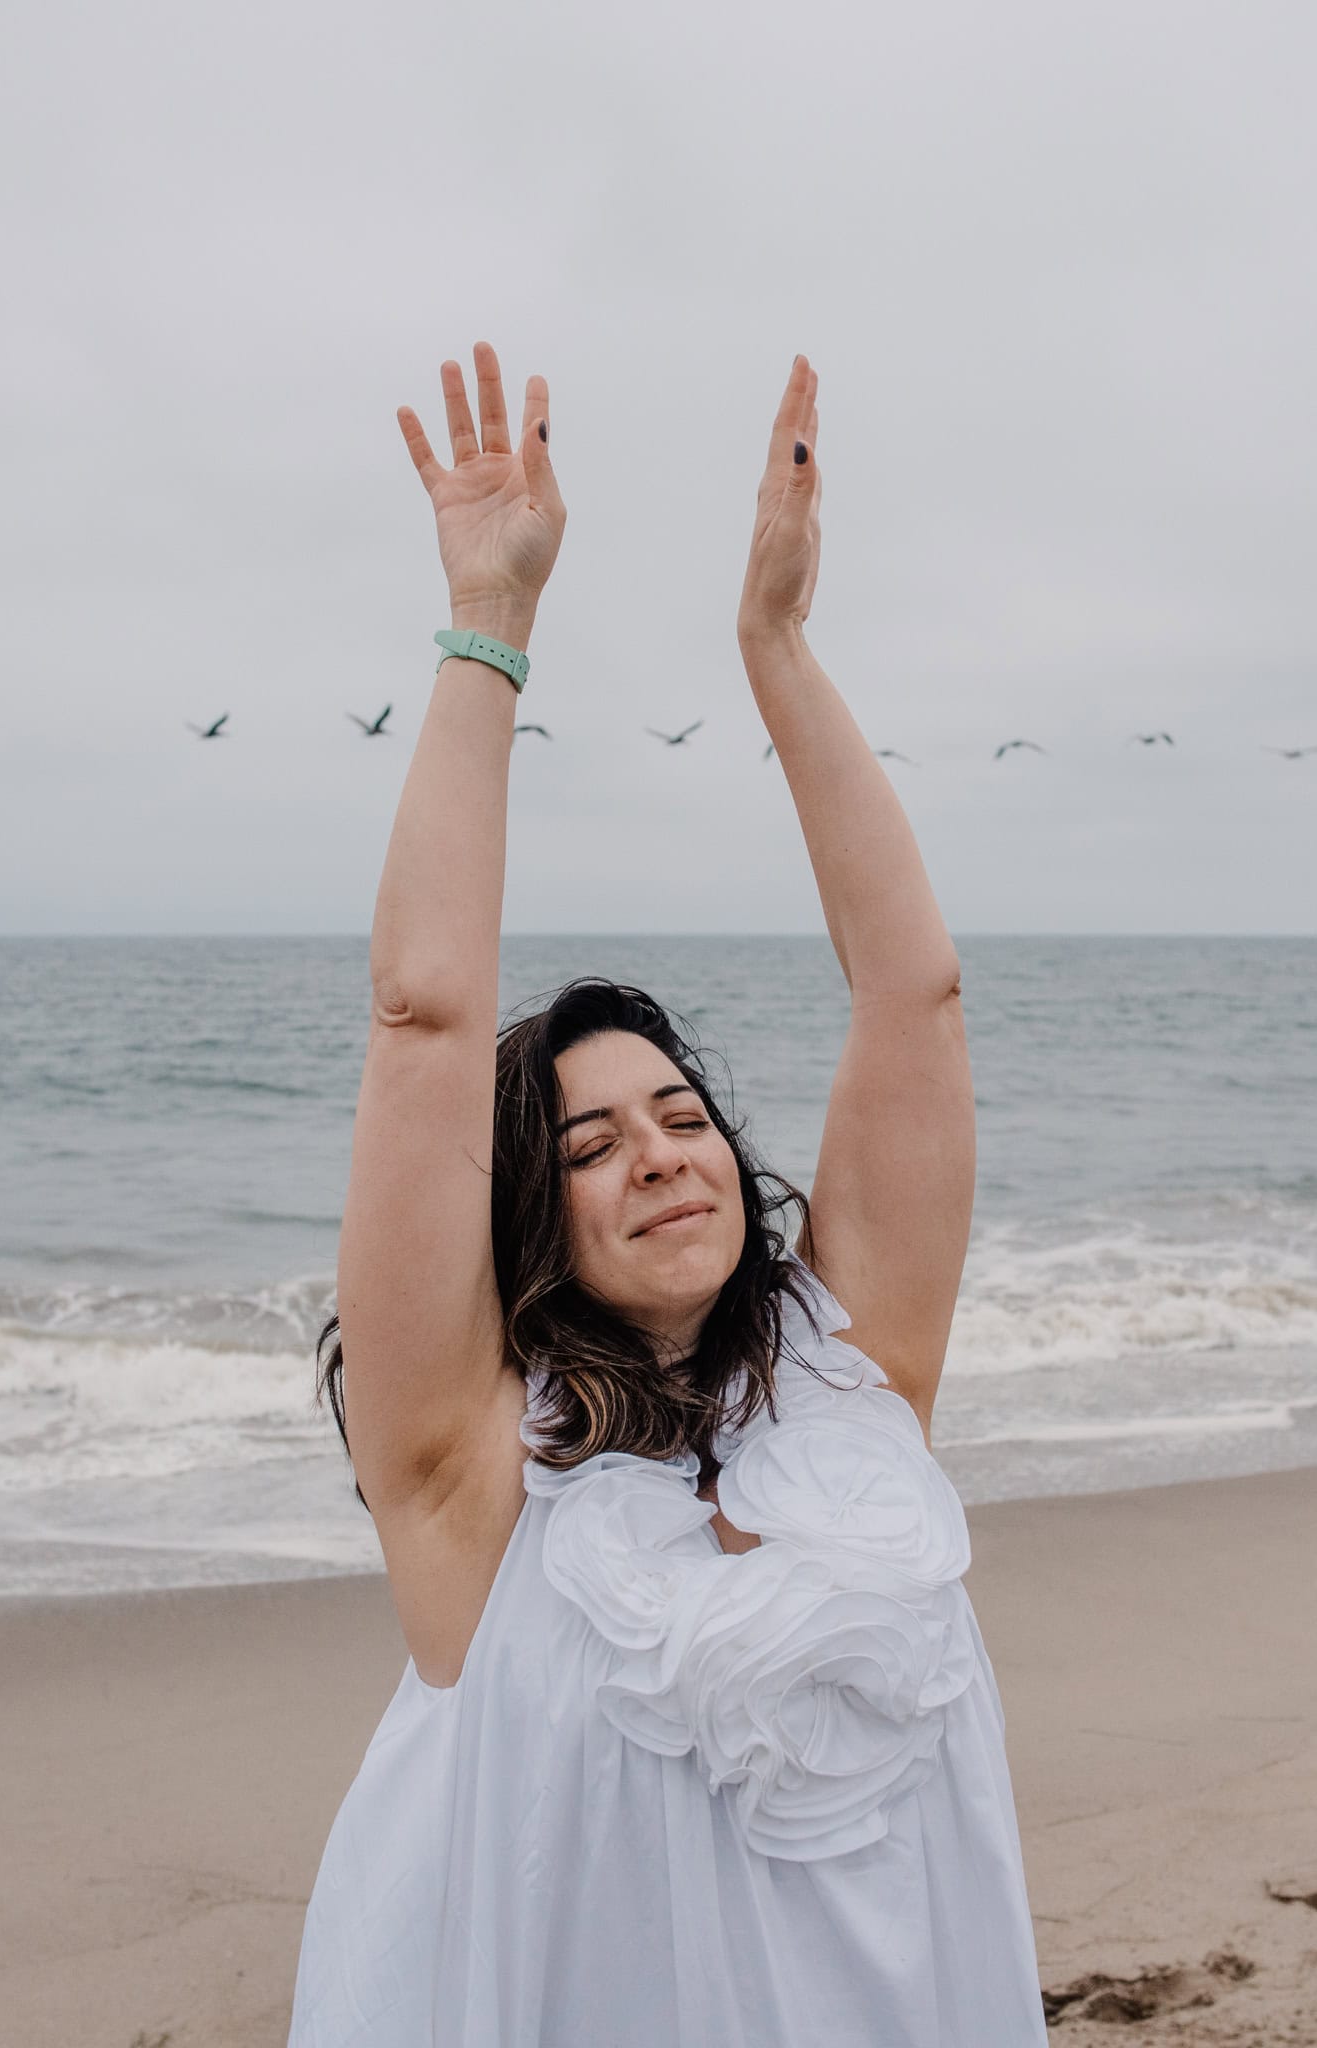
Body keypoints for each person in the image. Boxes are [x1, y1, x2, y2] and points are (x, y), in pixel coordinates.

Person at [286, 343, 1049, 2045]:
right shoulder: (467, 1479)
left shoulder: (858, 1388)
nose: (661, 1153)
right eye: (588, 1146)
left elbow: (910, 993)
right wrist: (492, 627)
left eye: (682, 1112)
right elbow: (422, 1022)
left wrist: (774, 646)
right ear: (527, 1221)